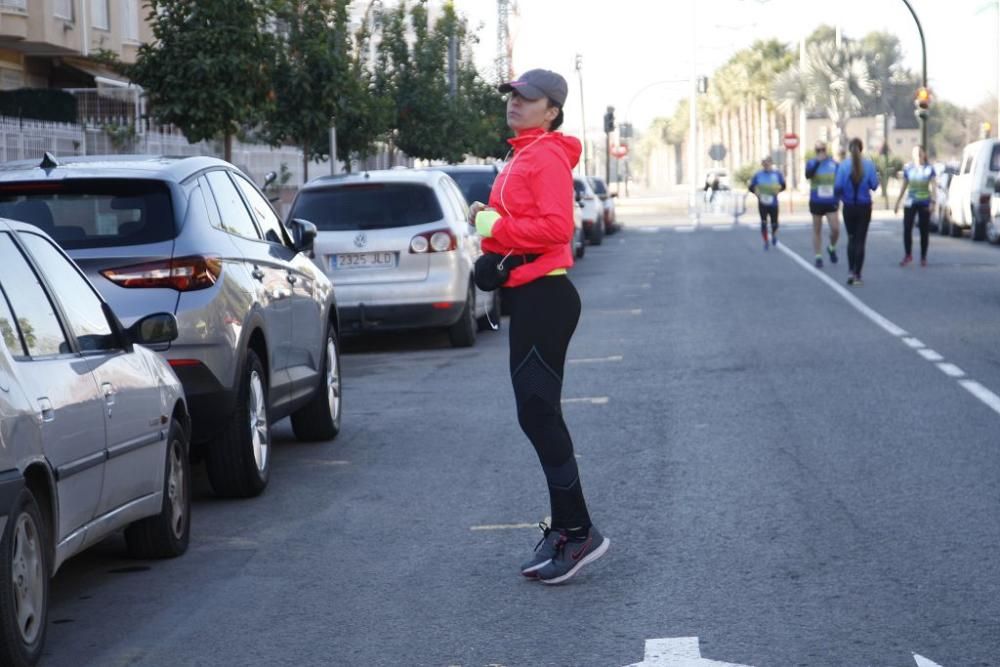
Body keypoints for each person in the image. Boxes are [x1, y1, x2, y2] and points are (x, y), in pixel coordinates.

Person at [468, 68, 609, 585]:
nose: (515, 103)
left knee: (539, 413)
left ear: (551, 110)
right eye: (512, 95)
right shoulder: (521, 154)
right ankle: (566, 530)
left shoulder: (545, 154)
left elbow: (557, 228)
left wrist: (492, 226)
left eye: (527, 98)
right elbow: (520, 225)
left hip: (546, 296)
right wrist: (492, 224)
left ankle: (578, 531)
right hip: (529, 296)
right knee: (536, 414)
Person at [835, 138, 880, 286]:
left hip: (849, 207)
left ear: (849, 149)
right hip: (864, 207)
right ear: (862, 149)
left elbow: (838, 187)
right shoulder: (869, 165)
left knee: (851, 238)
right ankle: (857, 274)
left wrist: (842, 197)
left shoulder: (843, 166)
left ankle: (850, 270)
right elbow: (874, 185)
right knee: (861, 240)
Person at [893, 145, 936, 267]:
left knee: (924, 230)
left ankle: (923, 256)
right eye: (915, 153)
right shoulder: (909, 168)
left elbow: (933, 187)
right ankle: (908, 254)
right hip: (910, 202)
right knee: (907, 228)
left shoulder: (929, 169)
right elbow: (904, 186)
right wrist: (897, 202)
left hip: (924, 203)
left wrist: (933, 202)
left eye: (920, 152)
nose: (918, 155)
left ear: (924, 154)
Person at [806, 142, 840, 268]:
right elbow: (808, 175)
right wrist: (817, 162)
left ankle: (831, 247)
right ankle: (818, 256)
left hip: (831, 201)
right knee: (817, 229)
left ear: (826, 150)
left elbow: (840, 180)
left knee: (835, 229)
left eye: (822, 149)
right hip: (816, 201)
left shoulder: (834, 164)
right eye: (818, 150)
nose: (820, 152)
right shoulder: (811, 163)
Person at [749, 156, 786, 250]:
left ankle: (773, 235)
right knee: (764, 223)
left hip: (773, 202)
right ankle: (765, 241)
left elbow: (783, 185)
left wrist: (779, 191)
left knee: (775, 223)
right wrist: (756, 193)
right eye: (764, 163)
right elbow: (751, 187)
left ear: (771, 163)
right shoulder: (758, 175)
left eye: (767, 162)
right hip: (762, 202)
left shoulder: (777, 174)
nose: (766, 164)